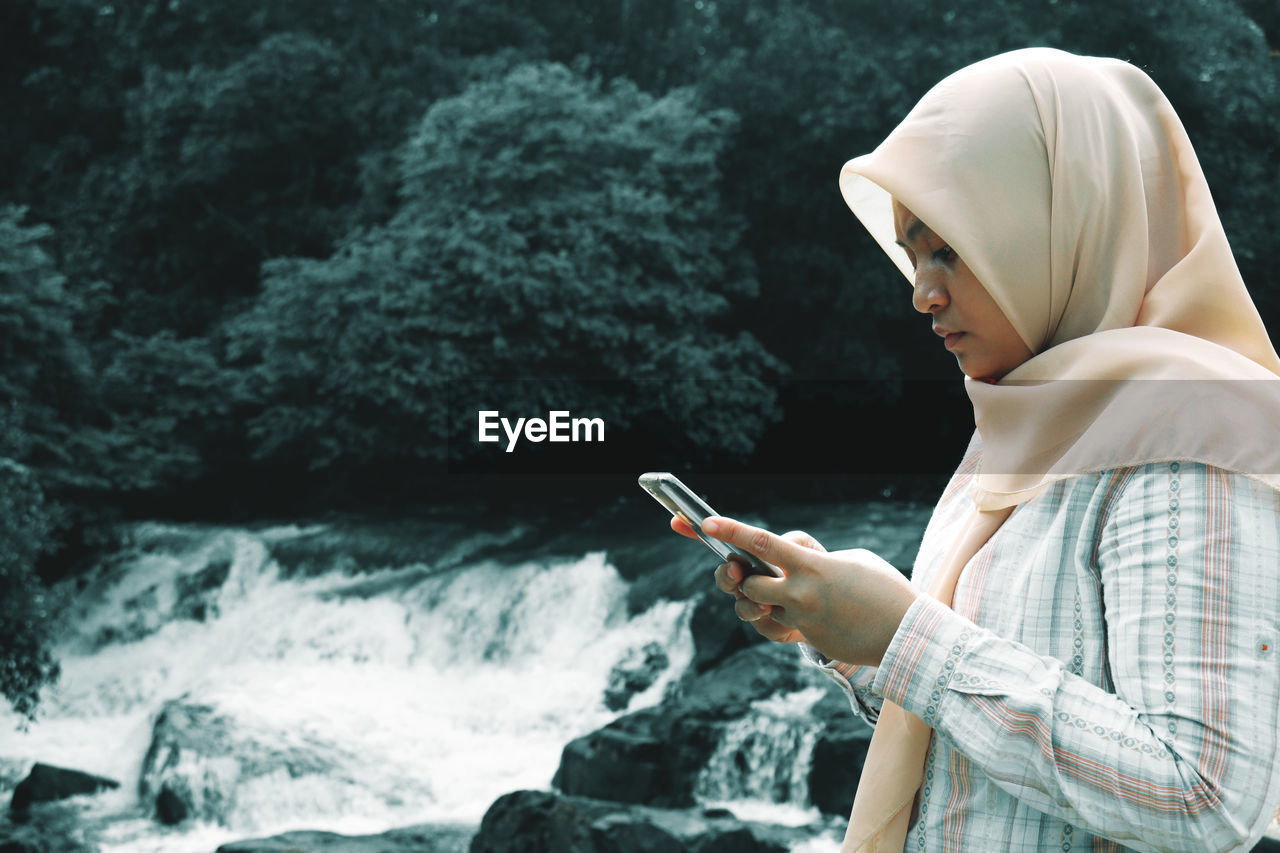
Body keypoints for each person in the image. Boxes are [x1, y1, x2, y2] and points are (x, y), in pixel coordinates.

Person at [671, 48, 1280, 852]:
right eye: (914, 254)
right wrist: (840, 624)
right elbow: (973, 746)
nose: (921, 291)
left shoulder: (1193, 431)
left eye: (947, 249)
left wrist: (902, 636)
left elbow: (1204, 794)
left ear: (1058, 219)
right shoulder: (1021, 420)